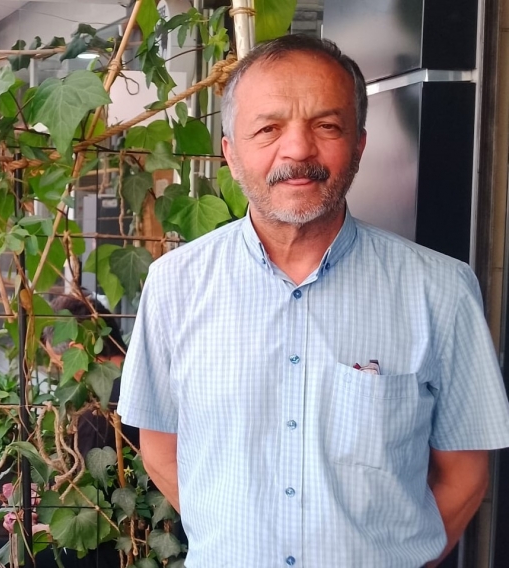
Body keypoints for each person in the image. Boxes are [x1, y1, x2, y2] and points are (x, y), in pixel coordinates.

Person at [117, 34, 509, 568]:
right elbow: (161, 448)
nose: (298, 150)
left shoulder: (440, 291)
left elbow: (464, 475)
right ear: (230, 153)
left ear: (360, 144)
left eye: (327, 126)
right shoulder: (174, 285)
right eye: (268, 129)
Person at [0, 293, 138, 568]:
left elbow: (97, 515)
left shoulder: (99, 412)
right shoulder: (136, 377)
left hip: (108, 552)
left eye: (60, 364)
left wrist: (44, 530)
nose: (64, 375)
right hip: (132, 537)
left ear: (77, 348)